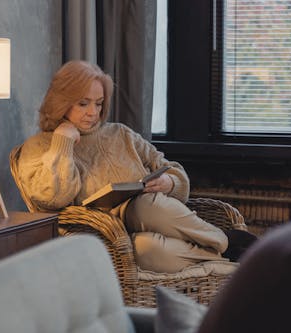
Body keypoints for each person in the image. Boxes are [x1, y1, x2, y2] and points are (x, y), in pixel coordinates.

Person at [16, 60, 255, 273]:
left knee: (146, 206)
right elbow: (52, 198)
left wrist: (169, 182)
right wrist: (63, 142)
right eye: (83, 103)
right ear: (61, 102)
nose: (93, 113)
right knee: (146, 249)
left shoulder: (121, 134)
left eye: (99, 104)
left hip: (149, 213)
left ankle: (224, 241)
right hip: (107, 238)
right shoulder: (39, 146)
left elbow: (171, 168)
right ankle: (228, 252)